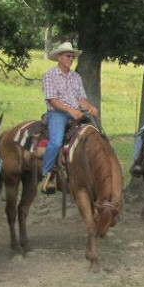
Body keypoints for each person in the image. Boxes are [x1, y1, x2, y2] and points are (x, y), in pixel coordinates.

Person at [40, 42, 99, 194]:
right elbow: (53, 100)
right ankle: (46, 173)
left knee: (95, 134)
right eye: (68, 56)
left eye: (72, 56)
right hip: (57, 113)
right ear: (59, 57)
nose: (71, 58)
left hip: (77, 112)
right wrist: (71, 110)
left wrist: (89, 107)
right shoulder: (49, 76)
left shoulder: (76, 77)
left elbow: (81, 99)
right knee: (56, 141)